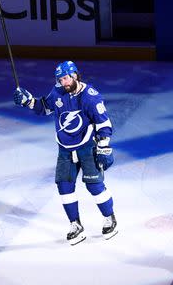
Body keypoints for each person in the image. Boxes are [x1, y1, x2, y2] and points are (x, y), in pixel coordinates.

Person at [13, 61, 117, 245]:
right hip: (65, 149)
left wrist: (104, 146)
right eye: (61, 79)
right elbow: (44, 107)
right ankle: (75, 225)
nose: (64, 82)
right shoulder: (58, 92)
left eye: (67, 78)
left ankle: (110, 218)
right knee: (64, 186)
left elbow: (103, 123)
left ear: (75, 75)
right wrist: (28, 102)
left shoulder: (90, 97)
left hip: (87, 146)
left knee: (94, 186)